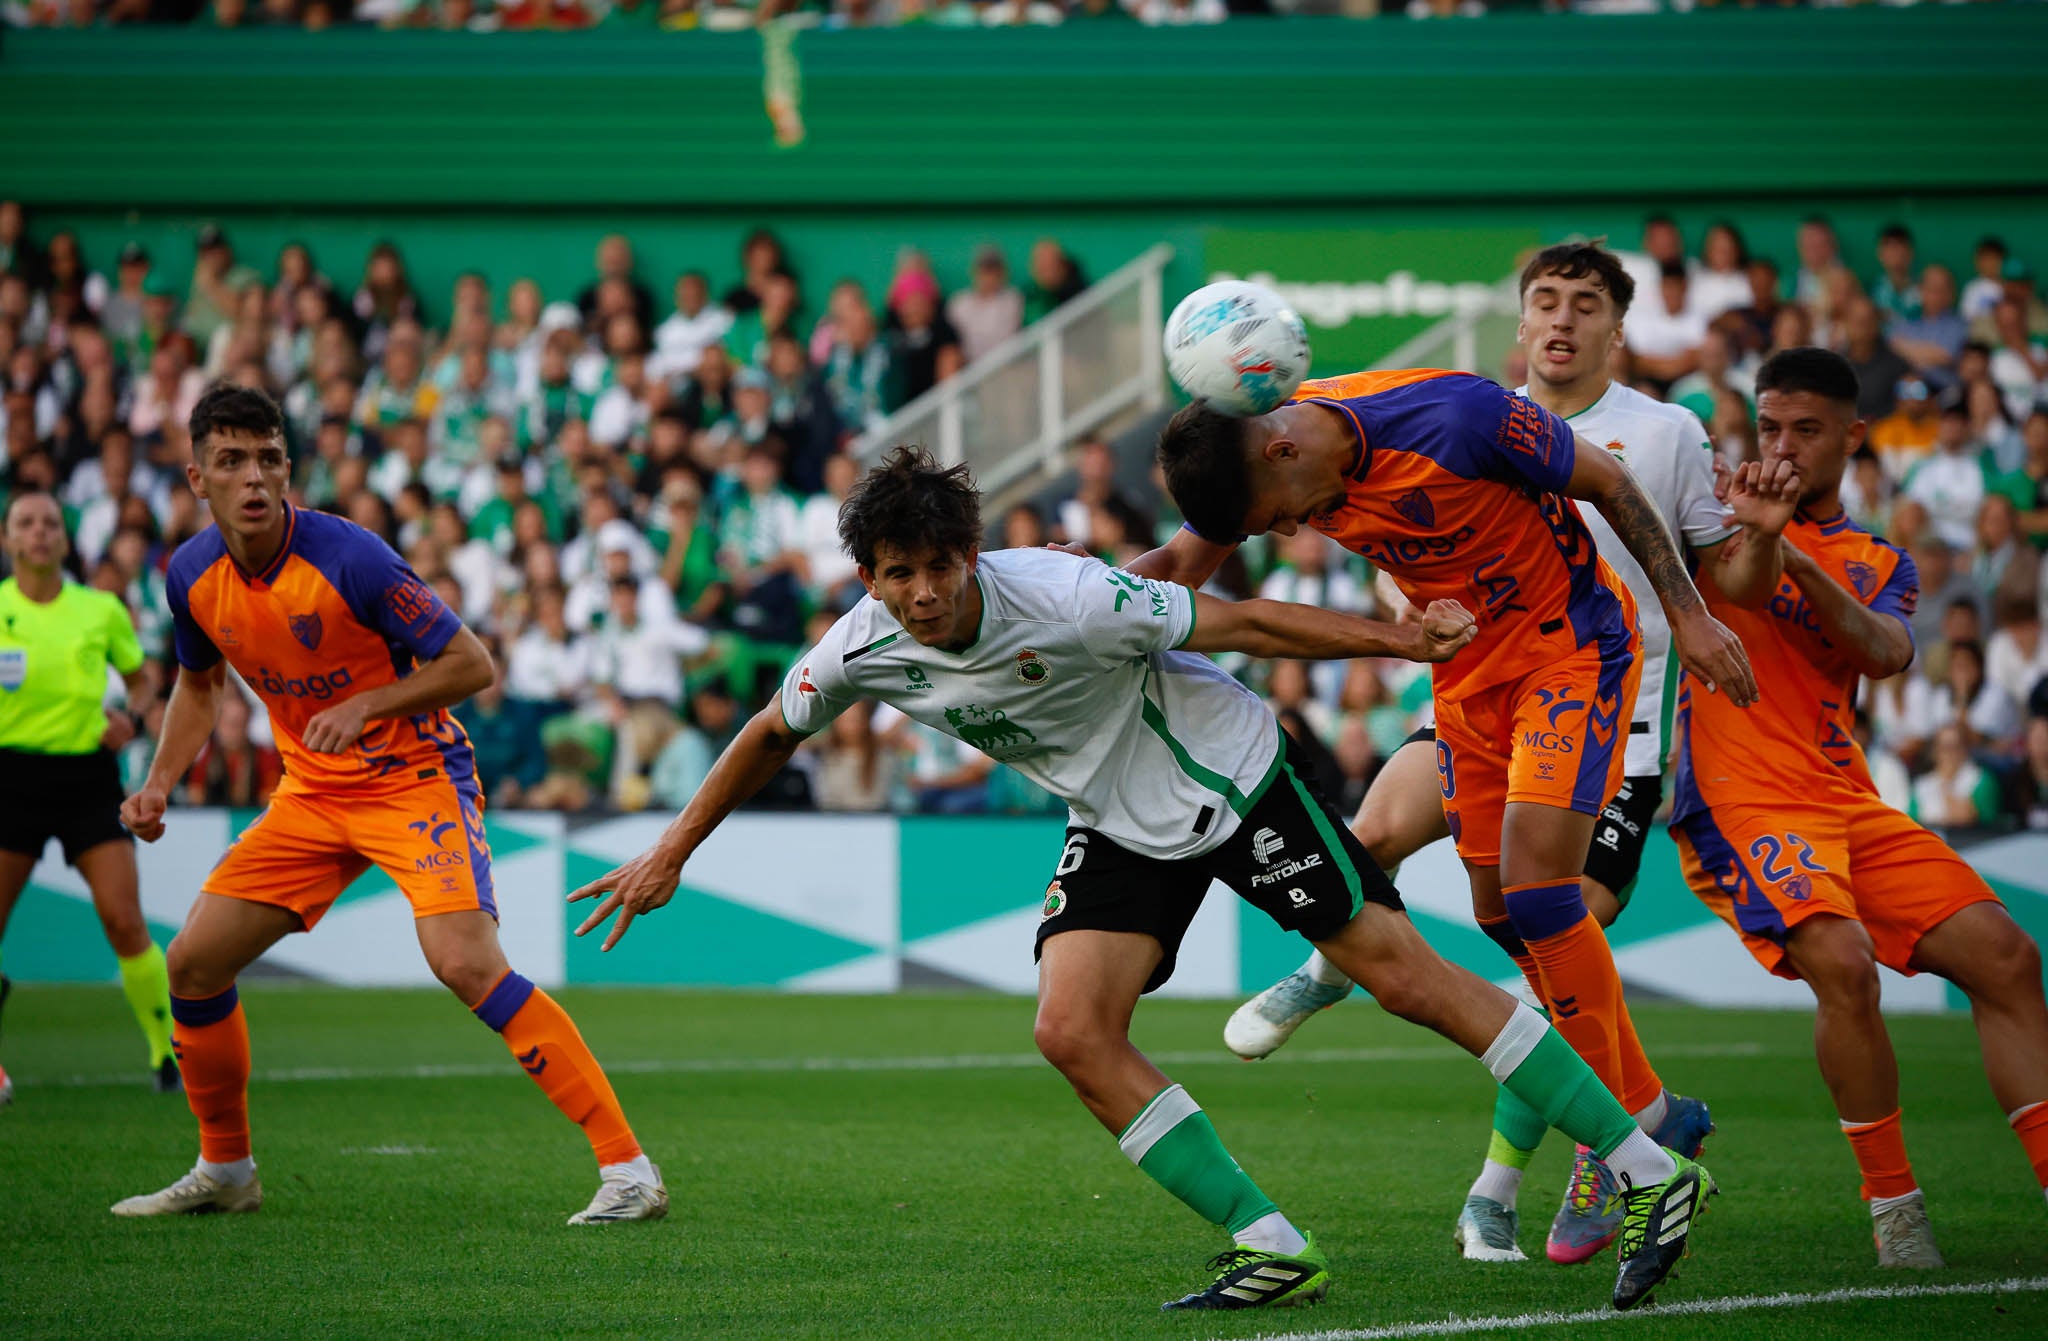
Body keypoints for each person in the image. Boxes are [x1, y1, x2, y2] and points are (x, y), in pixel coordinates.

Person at [571, 448, 1717, 1314]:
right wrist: (671, 852)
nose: (918, 594)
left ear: (969, 555)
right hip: (1117, 815)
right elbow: (771, 731)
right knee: (1069, 1029)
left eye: (933, 568)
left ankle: (1646, 1166)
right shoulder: (862, 643)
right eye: (893, 575)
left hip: (1228, 774)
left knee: (1403, 979)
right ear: (870, 577)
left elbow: (1246, 618)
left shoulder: (1071, 596)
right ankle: (1271, 1242)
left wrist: (1400, 644)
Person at [1218, 242, 1795, 1265]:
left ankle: (1559, 1166)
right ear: (1520, 324)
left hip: (1611, 704)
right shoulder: (1435, 417)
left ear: (1615, 332)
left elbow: (1727, 580)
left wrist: (1734, 567)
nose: (1560, 320)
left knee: (1543, 923)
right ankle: (1338, 969)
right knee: (1393, 847)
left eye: (1583, 305)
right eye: (1543, 302)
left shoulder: (1660, 432)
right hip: (1474, 687)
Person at [108, 384, 665, 1226]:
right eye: (231, 461)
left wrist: (369, 704)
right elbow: (198, 685)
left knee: (467, 963)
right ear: (197, 478)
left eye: (268, 459)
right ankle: (226, 1169)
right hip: (312, 792)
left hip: (414, 779)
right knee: (192, 962)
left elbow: (471, 663)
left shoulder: (352, 557)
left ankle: (630, 1170)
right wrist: (158, 782)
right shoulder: (189, 575)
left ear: (288, 467)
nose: (253, 478)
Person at [1669, 347, 2048, 1266]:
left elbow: (1883, 650)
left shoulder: (1882, 558)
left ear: (1852, 435)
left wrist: (1792, 547)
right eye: (1769, 426)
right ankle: (1896, 1209)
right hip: (1740, 797)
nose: (1784, 446)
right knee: (1844, 965)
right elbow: (1744, 587)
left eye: (1806, 429)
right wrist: (1766, 534)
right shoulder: (1716, 524)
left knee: (2006, 956)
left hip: (1844, 798)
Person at [0, 492, 171, 1103]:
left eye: (51, 523)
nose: (40, 533)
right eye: (27, 523)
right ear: (9, 539)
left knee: (125, 922)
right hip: (9, 780)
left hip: (87, 781)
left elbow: (143, 684)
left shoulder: (100, 610)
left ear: (65, 541)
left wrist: (132, 718)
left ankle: (166, 1052)